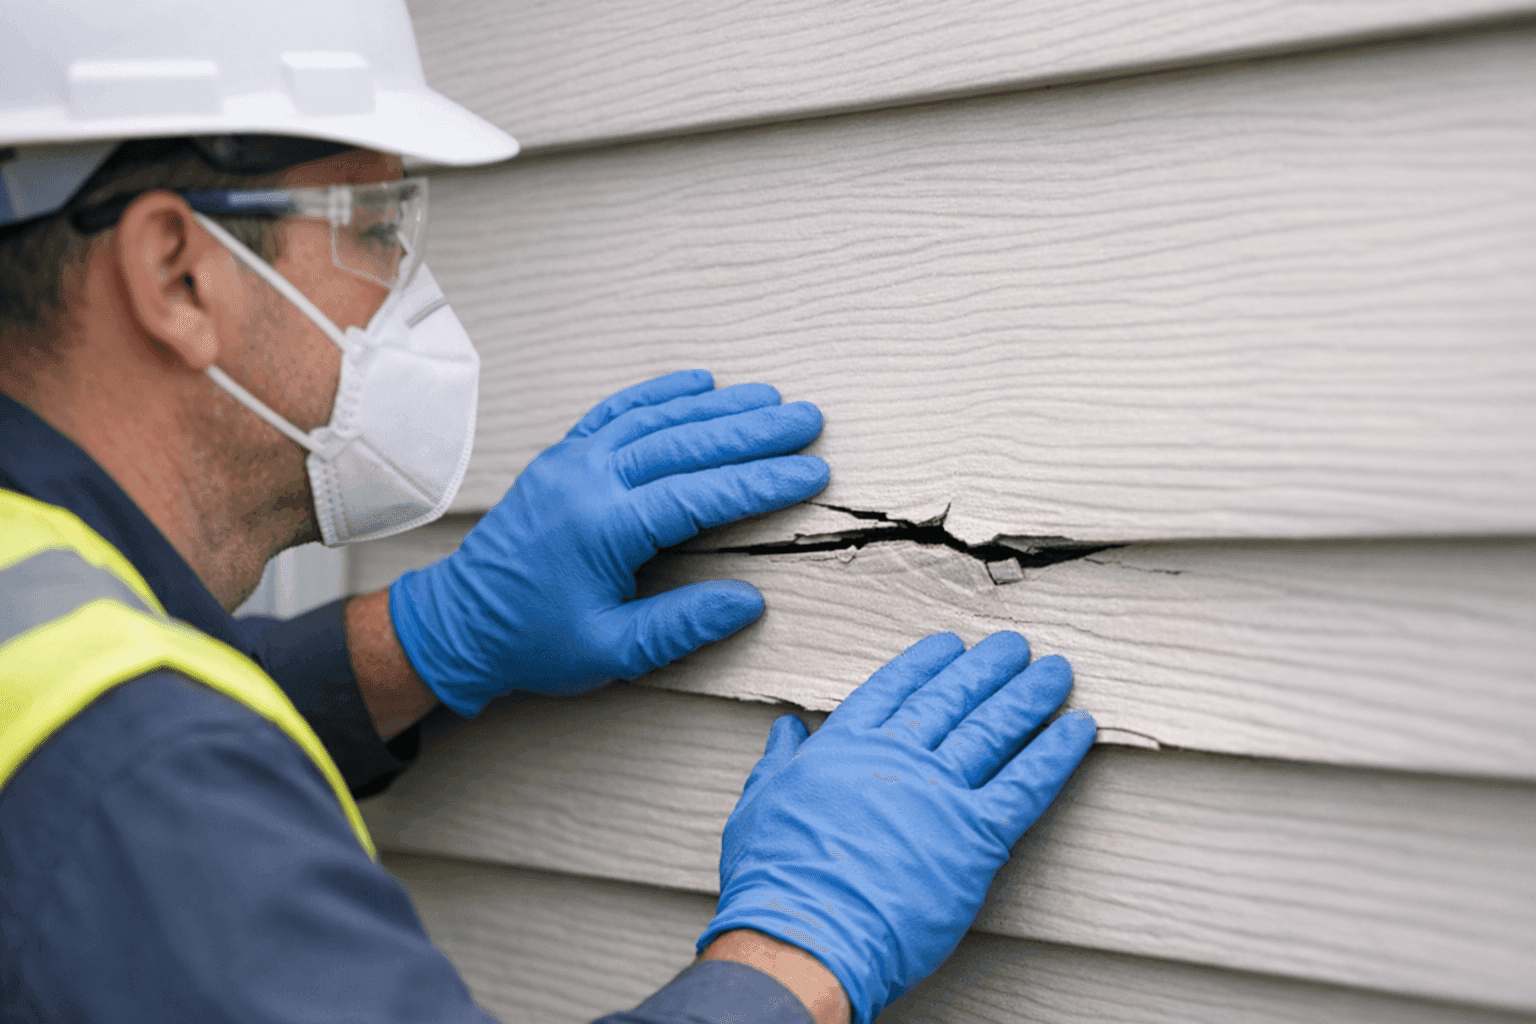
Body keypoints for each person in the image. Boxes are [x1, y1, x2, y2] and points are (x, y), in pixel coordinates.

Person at [0, 3, 1097, 1023]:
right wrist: (798, 951)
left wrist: (422, 641)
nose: (406, 282)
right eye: (376, 226)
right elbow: (119, 766)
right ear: (178, 275)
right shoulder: (142, 775)